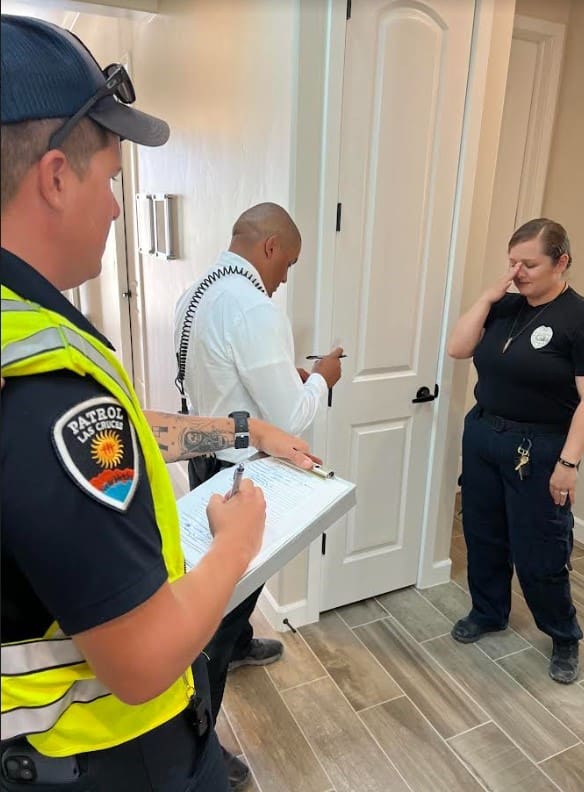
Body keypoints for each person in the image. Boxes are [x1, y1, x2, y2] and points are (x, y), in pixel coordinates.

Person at [0, 15, 316, 791]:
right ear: (54, 177)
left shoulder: (25, 333)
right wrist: (238, 540)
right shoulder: (51, 390)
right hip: (105, 755)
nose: (116, 209)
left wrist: (248, 429)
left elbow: (133, 432)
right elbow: (140, 661)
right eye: (110, 180)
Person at [174, 202, 343, 788]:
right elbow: (292, 417)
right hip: (243, 472)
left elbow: (229, 380)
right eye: (289, 262)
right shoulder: (254, 307)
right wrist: (321, 376)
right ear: (269, 247)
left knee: (232, 589)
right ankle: (201, 744)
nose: (287, 276)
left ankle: (241, 642)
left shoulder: (196, 291)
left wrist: (283, 379)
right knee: (223, 600)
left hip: (204, 458)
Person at [448, 218, 584, 684]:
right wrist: (487, 297)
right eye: (512, 262)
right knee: (483, 533)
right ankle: (489, 611)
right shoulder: (504, 307)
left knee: (540, 548)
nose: (518, 272)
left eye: (529, 264)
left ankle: (563, 635)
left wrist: (568, 464)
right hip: (483, 436)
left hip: (539, 447)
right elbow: (458, 348)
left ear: (562, 262)